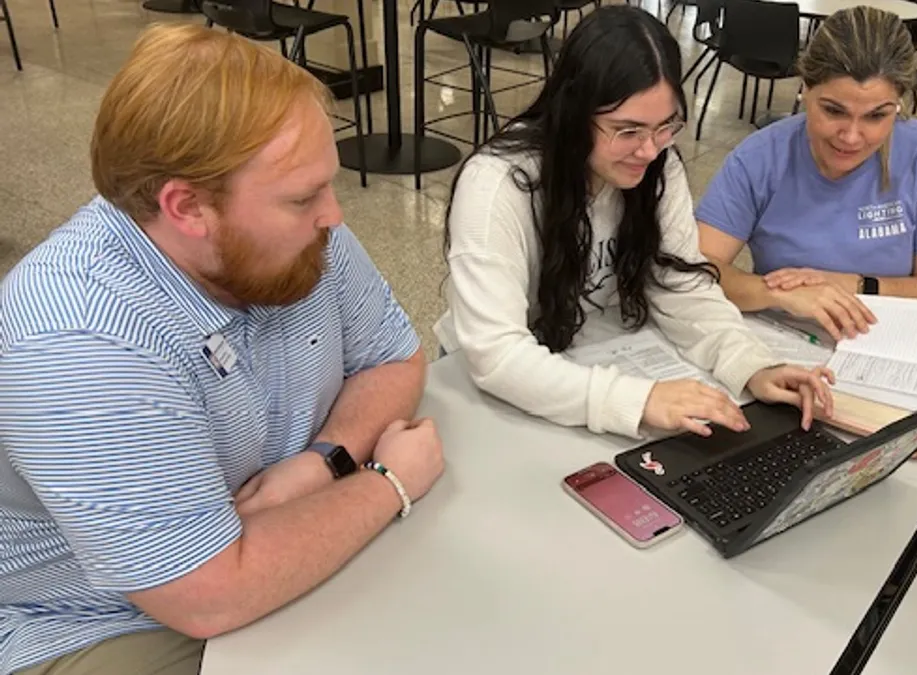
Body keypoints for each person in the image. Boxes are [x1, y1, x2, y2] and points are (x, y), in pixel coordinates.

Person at [0, 24, 443, 675]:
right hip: (104, 618)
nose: (334, 216)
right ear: (187, 207)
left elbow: (393, 359)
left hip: (276, 540)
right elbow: (208, 595)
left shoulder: (298, 235)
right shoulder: (75, 339)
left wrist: (324, 461)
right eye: (302, 196)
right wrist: (388, 483)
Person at [433, 6, 834, 441]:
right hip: (485, 391)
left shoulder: (658, 168)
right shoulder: (498, 186)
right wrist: (639, 400)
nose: (648, 150)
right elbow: (497, 355)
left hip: (581, 357)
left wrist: (751, 364)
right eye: (627, 131)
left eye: (665, 127)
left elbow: (680, 285)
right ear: (573, 113)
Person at [695, 6, 917, 342]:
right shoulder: (759, 158)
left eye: (876, 116)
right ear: (805, 89)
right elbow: (697, 268)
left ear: (900, 103)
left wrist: (853, 286)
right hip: (783, 335)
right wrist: (775, 293)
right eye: (833, 110)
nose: (852, 137)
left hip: (888, 339)